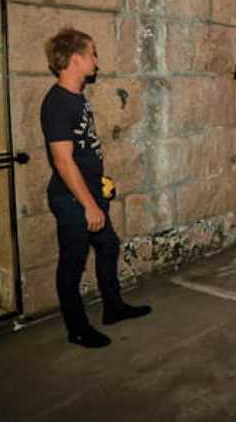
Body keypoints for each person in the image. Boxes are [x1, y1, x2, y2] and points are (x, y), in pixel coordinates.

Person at [41, 27, 151, 349]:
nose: (96, 61)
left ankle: (113, 308)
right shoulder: (58, 103)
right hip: (72, 199)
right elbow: (62, 161)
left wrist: (99, 182)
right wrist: (88, 204)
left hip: (90, 192)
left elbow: (83, 150)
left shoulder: (77, 98)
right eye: (92, 54)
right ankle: (77, 328)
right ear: (76, 58)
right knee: (72, 262)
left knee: (108, 246)